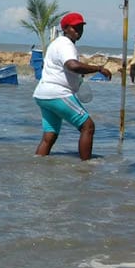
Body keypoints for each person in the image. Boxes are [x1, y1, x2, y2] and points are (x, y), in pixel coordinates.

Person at [32, 12, 112, 160]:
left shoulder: (55, 43)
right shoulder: (65, 44)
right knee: (88, 126)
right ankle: (86, 169)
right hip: (57, 93)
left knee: (49, 136)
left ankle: (37, 165)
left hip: (42, 94)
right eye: (74, 27)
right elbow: (72, 65)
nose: (78, 30)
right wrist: (99, 68)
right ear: (66, 28)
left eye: (81, 27)